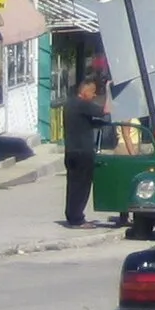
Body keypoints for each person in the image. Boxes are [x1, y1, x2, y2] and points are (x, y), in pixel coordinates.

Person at [62, 78, 112, 228]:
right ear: (84, 92)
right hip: (82, 152)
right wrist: (108, 90)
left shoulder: (70, 104)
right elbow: (105, 110)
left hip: (71, 151)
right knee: (82, 186)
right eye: (92, 92)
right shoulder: (82, 104)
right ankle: (77, 219)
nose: (94, 96)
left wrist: (102, 124)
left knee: (73, 185)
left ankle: (72, 216)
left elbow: (85, 123)